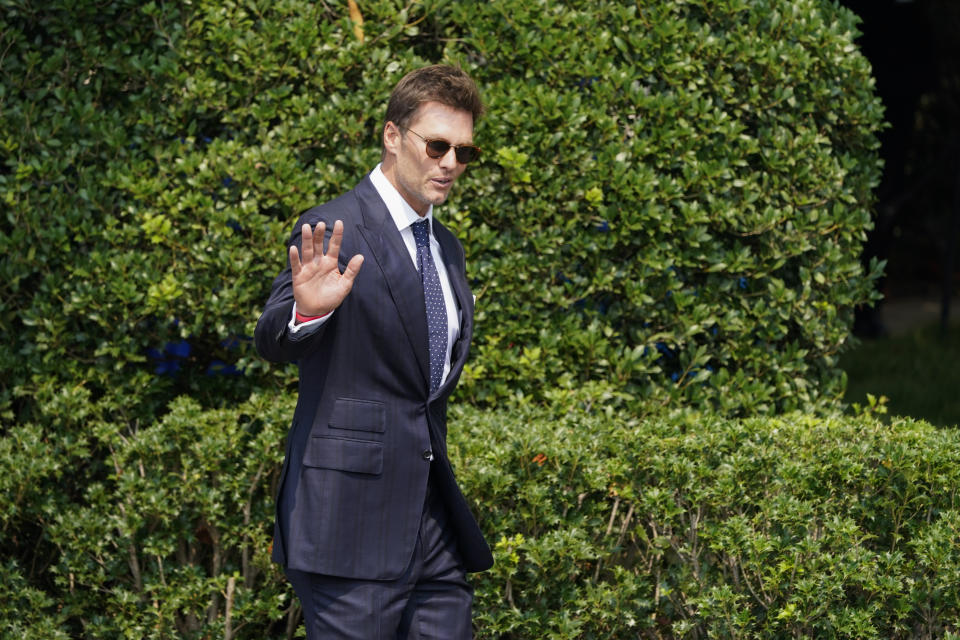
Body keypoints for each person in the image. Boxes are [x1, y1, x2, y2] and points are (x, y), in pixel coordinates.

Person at [255, 65, 492, 639]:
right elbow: (272, 338)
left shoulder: (448, 249)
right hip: (348, 529)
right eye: (437, 145)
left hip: (432, 529)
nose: (450, 164)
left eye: (464, 152)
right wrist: (308, 310)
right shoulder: (333, 228)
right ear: (392, 136)